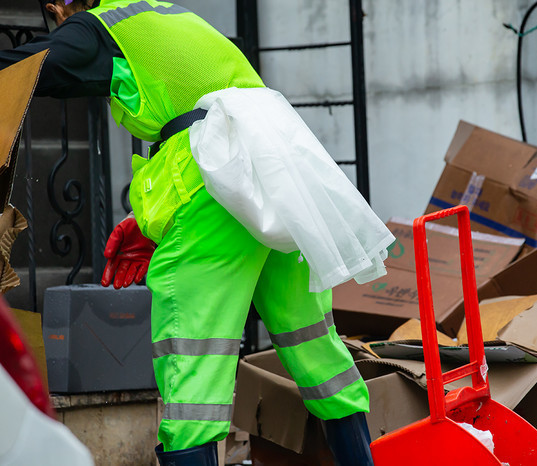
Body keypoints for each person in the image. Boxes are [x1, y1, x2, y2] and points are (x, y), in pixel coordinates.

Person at [0, 1, 386, 464]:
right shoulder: (164, 15)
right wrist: (149, 224)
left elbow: (29, 66)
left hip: (218, 173)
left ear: (58, 8)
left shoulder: (98, 25)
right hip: (280, 171)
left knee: (192, 362)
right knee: (315, 346)